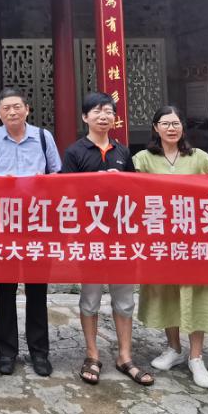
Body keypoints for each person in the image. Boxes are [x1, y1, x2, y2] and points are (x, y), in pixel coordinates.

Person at [134, 105, 208, 389]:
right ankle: (174, 348)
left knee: (197, 294)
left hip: (195, 240)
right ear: (155, 128)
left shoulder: (199, 157)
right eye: (165, 123)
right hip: (161, 240)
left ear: (183, 127)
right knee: (168, 293)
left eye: (176, 123)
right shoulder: (143, 159)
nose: (171, 128)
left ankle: (196, 356)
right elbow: (134, 194)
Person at [62, 92, 152, 388]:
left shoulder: (123, 152)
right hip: (90, 236)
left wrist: (121, 182)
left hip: (121, 236)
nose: (103, 116)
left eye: (109, 111)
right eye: (97, 111)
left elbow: (137, 193)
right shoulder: (75, 152)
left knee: (124, 300)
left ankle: (125, 356)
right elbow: (65, 193)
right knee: (90, 298)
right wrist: (96, 184)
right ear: (85, 117)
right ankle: (92, 354)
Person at [0, 87, 60, 377]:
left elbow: (57, 177)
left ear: (27, 109)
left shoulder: (44, 137)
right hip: (4, 225)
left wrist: (44, 183)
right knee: (5, 290)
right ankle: (6, 352)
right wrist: (0, 185)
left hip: (38, 224)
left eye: (16, 106)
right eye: (6, 108)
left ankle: (39, 352)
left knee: (37, 290)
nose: (12, 112)